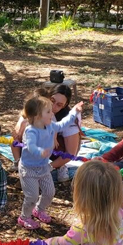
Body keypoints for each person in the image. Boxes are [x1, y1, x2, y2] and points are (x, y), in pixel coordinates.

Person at [17, 96, 83, 230]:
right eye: (48, 112)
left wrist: (74, 111)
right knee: (32, 195)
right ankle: (24, 217)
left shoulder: (50, 126)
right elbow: (30, 146)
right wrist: (40, 152)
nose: (52, 113)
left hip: (43, 167)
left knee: (49, 192)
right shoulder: (31, 131)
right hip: (28, 169)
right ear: (37, 116)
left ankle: (39, 209)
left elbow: (63, 124)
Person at [10, 87, 50, 172]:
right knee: (14, 143)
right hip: (26, 145)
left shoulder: (48, 118)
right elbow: (19, 133)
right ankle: (17, 161)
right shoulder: (26, 119)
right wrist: (18, 135)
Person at [48, 84, 82, 183]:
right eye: (52, 101)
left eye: (59, 105)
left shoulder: (68, 120)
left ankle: (59, 166)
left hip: (58, 149)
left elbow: (71, 153)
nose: (53, 107)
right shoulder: (39, 106)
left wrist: (48, 167)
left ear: (65, 105)